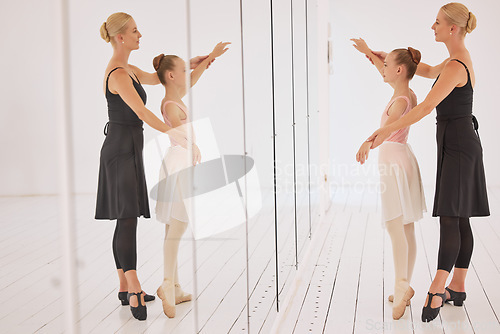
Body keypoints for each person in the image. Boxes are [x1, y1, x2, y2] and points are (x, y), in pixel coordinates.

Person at [366, 3, 489, 322]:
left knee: (451, 217)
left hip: (460, 146)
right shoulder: (452, 60)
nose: (431, 27)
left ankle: (437, 287)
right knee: (460, 218)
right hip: (457, 143)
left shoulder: (455, 66)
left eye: (437, 23)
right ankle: (457, 287)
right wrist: (384, 58)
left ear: (452, 28)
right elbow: (427, 71)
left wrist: (383, 131)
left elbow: (422, 109)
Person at [95, 12, 208, 321]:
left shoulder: (129, 69)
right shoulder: (118, 74)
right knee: (128, 217)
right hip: (119, 151)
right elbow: (143, 113)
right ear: (120, 37)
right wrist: (179, 136)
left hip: (129, 149)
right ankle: (133, 286)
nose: (139, 35)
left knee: (125, 217)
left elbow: (160, 77)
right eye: (134, 31)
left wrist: (190, 66)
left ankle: (123, 283)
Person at [153, 42, 230, 318]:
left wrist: (210, 57)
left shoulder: (178, 94)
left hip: (180, 162)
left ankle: (174, 285)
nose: (189, 73)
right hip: (179, 163)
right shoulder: (169, 104)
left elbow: (195, 78)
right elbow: (176, 132)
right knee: (179, 226)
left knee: (174, 226)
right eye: (183, 70)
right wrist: (192, 144)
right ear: (171, 76)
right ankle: (166, 283)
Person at [352, 38, 426, 320]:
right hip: (403, 159)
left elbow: (384, 133)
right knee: (406, 228)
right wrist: (370, 53)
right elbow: (384, 72)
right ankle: (404, 284)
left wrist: (367, 143)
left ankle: (401, 286)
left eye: (386, 66)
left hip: (393, 162)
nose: (381, 69)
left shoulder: (398, 103)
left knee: (397, 228)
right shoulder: (409, 94)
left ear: (399, 71)